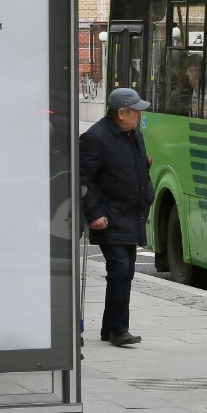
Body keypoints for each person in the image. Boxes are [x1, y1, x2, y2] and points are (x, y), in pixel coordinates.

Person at [80, 87, 155, 347]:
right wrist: (95, 212)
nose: (139, 116)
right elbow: (83, 179)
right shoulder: (95, 138)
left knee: (125, 272)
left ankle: (109, 328)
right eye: (136, 112)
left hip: (130, 214)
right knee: (121, 271)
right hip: (109, 216)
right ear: (121, 113)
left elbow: (136, 167)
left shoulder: (133, 134)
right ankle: (118, 330)